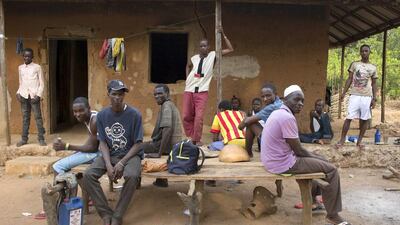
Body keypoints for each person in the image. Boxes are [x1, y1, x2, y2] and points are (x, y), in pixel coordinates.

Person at [261, 85, 350, 225]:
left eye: (302, 101)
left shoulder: (279, 112)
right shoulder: (286, 117)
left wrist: (316, 157)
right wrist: (320, 158)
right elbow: (299, 151)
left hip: (272, 160)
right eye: (296, 99)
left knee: (317, 161)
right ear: (285, 99)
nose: (300, 104)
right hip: (282, 164)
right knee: (331, 170)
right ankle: (332, 215)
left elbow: (297, 149)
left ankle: (314, 201)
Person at [83, 80, 143, 225]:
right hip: (110, 154)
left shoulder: (135, 114)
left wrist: (122, 162)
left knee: (132, 176)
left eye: (121, 94)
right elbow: (102, 142)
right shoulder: (102, 115)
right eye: (114, 93)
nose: (118, 97)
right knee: (88, 176)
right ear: (108, 94)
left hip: (130, 155)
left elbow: (138, 144)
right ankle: (105, 213)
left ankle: (117, 215)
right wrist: (109, 165)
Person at [183, 26, 234, 145]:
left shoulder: (212, 56)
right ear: (199, 47)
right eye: (201, 46)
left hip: (202, 91)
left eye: (205, 45)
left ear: (209, 47)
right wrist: (187, 78)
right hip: (189, 89)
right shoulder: (194, 58)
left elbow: (230, 49)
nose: (203, 48)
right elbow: (188, 65)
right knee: (186, 115)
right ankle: (191, 136)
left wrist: (223, 34)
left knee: (199, 117)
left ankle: (196, 139)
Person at [336, 44, 378, 150]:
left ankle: (359, 142)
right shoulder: (354, 64)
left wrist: (374, 98)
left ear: (369, 52)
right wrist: (343, 92)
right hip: (354, 95)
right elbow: (349, 79)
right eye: (362, 51)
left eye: (366, 51)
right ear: (360, 52)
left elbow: (374, 84)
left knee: (364, 119)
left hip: (367, 96)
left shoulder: (373, 67)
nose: (364, 53)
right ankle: (342, 140)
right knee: (349, 117)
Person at [141, 84, 183, 187]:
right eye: (155, 94)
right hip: (173, 145)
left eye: (160, 93)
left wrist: (159, 153)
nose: (156, 96)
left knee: (136, 148)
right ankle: (161, 179)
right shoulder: (169, 105)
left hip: (168, 146)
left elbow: (167, 130)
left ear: (167, 94)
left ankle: (135, 180)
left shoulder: (167, 106)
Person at [52, 97, 100, 174]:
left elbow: (93, 148)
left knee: (57, 166)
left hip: (104, 154)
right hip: (98, 152)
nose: (78, 114)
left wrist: (67, 146)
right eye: (75, 111)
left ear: (88, 109)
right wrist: (76, 152)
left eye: (81, 111)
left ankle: (68, 184)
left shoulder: (94, 121)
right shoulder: (89, 117)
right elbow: (90, 142)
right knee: (67, 160)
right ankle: (69, 185)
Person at [238, 84, 282, 157]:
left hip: (275, 142)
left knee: (250, 123)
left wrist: (240, 126)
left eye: (268, 95)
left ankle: (248, 153)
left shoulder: (272, 107)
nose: (265, 99)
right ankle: (248, 153)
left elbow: (244, 123)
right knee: (251, 122)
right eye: (263, 96)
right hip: (279, 140)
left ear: (275, 94)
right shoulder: (280, 103)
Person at [16, 48, 46, 147]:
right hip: (24, 95)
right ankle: (24, 139)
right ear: (23, 56)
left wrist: (38, 95)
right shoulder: (20, 68)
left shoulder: (37, 67)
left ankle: (41, 138)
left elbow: (42, 83)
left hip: (34, 96)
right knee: (25, 118)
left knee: (38, 117)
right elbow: (21, 82)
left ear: (32, 57)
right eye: (25, 56)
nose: (26, 58)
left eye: (29, 56)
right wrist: (18, 92)